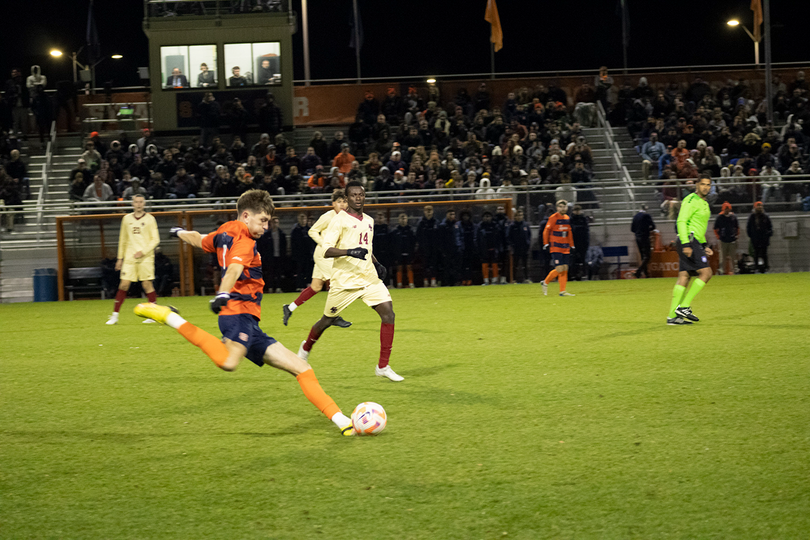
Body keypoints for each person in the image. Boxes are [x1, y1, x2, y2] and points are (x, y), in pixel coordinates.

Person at [133, 190, 355, 436]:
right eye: (263, 220)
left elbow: (199, 239)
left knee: (301, 368)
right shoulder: (245, 241)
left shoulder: (223, 231)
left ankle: (341, 420)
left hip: (250, 321)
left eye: (268, 222)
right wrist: (223, 294)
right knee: (229, 362)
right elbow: (234, 270)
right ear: (246, 216)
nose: (266, 226)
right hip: (235, 312)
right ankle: (169, 316)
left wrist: (178, 233)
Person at [297, 181, 403, 382]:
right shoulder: (339, 220)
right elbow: (327, 250)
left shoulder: (369, 221)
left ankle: (383, 366)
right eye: (353, 195)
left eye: (361, 194)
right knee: (326, 320)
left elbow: (366, 248)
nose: (358, 197)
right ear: (347, 199)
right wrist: (349, 252)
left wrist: (377, 263)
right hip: (345, 280)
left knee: (389, 314)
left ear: (364, 196)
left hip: (369, 278)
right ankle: (306, 347)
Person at [282, 190, 351, 328]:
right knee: (337, 284)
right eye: (339, 202)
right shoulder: (328, 216)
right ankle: (333, 316)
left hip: (330, 255)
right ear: (333, 204)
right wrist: (324, 244)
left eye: (344, 201)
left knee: (316, 287)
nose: (342, 204)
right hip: (324, 255)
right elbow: (312, 231)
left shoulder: (347, 218)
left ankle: (289, 308)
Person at [666, 174, 714, 325]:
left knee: (684, 276)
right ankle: (685, 306)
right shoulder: (691, 200)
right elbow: (681, 221)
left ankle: (672, 316)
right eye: (703, 184)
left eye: (708, 185)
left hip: (694, 241)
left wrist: (704, 245)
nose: (706, 187)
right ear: (697, 185)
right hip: (688, 240)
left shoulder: (704, 203)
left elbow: (698, 227)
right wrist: (686, 244)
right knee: (706, 273)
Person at [106, 195, 160, 325]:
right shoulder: (126, 219)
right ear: (132, 204)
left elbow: (156, 239)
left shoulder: (150, 219)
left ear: (144, 204)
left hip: (145, 258)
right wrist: (120, 258)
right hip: (130, 257)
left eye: (141, 202)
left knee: (147, 284)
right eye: (136, 202)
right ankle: (115, 316)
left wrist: (143, 251)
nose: (139, 204)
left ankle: (153, 315)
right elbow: (123, 240)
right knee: (124, 284)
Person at [541, 200, 575, 297]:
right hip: (556, 246)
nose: (563, 208)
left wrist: (571, 244)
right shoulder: (553, 217)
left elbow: (569, 232)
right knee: (559, 268)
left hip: (565, 246)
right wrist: (546, 243)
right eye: (560, 207)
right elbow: (546, 230)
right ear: (557, 208)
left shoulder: (567, 218)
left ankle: (562, 291)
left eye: (564, 207)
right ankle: (545, 282)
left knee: (565, 268)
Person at [415, 205, 438, 287]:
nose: (428, 212)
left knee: (433, 264)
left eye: (430, 210)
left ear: (433, 211)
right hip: (424, 248)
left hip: (434, 248)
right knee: (424, 264)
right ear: (424, 212)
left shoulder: (435, 222)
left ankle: (433, 280)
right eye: (427, 210)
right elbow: (418, 236)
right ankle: (425, 281)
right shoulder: (421, 223)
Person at [631, 204, 656, 278]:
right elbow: (653, 226)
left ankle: (646, 274)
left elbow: (632, 229)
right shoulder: (646, 216)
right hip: (645, 237)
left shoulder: (635, 217)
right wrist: (647, 230)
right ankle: (639, 271)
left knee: (642, 256)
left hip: (637, 237)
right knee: (647, 256)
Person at [746, 201, 773, 273]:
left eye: (761, 206)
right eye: (758, 206)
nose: (759, 207)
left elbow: (770, 227)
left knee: (764, 253)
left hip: (764, 238)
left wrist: (767, 234)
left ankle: (766, 267)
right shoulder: (752, 217)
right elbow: (748, 228)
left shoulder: (765, 216)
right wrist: (751, 236)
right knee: (756, 253)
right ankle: (756, 267)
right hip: (755, 238)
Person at [714, 202, 739, 275]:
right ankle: (722, 270)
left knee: (733, 257)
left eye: (728, 209)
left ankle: (735, 270)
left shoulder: (733, 217)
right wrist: (718, 237)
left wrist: (736, 235)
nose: (727, 210)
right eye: (725, 209)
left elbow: (737, 227)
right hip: (723, 240)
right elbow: (715, 228)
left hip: (732, 239)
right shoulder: (719, 217)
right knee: (722, 257)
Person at [391, 213, 415, 288]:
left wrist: (412, 251)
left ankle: (411, 283)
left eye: (404, 218)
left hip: (409, 251)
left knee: (409, 267)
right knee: (399, 267)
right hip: (398, 252)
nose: (403, 220)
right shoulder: (395, 231)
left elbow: (413, 242)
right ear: (398, 220)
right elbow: (393, 243)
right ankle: (399, 284)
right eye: (401, 218)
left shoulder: (410, 230)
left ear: (407, 220)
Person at [476, 211, 501, 285]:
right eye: (485, 216)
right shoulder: (480, 226)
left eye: (488, 216)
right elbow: (477, 238)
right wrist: (479, 248)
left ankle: (494, 280)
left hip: (494, 248)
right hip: (484, 249)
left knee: (494, 264)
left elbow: (499, 238)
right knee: (484, 264)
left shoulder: (495, 226)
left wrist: (498, 247)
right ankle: (486, 280)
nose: (487, 218)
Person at [507, 209, 532, 283]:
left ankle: (526, 278)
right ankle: (513, 279)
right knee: (515, 265)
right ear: (515, 217)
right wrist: (512, 245)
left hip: (525, 248)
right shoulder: (512, 226)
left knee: (525, 264)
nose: (519, 217)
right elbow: (509, 237)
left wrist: (528, 243)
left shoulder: (525, 225)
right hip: (516, 248)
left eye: (520, 215)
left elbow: (529, 235)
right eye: (517, 215)